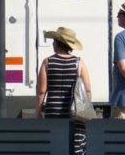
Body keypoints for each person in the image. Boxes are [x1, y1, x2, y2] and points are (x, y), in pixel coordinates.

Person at [35, 27, 91, 155]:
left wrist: (38, 111)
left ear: (57, 43)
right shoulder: (79, 63)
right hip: (74, 110)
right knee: (73, 143)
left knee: (54, 143)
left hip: (52, 109)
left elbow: (41, 91)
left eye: (54, 41)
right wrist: (85, 108)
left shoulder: (47, 62)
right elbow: (87, 89)